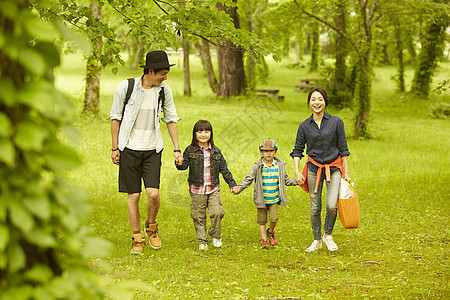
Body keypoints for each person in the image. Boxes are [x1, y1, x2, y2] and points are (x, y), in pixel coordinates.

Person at [108, 50, 183, 254]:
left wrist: (177, 149)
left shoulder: (163, 91)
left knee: (153, 194)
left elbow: (171, 119)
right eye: (163, 73)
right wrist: (115, 148)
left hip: (152, 150)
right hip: (129, 149)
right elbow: (115, 118)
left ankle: (151, 227)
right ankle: (137, 238)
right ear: (151, 71)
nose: (165, 77)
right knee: (134, 196)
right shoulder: (126, 87)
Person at [290, 87, 350, 252]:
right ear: (309, 103)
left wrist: (347, 173)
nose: (317, 102)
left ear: (325, 102)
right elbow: (297, 150)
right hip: (313, 168)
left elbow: (344, 148)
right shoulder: (304, 126)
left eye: (320, 99)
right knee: (315, 207)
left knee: (332, 205)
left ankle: (327, 235)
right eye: (314, 99)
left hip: (334, 168)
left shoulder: (336, 122)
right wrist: (296, 171)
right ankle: (317, 239)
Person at [176, 120, 237, 251]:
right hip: (197, 189)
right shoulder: (190, 150)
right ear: (195, 134)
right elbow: (184, 166)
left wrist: (232, 184)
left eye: (206, 131)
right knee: (198, 215)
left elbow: (224, 169)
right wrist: (179, 163)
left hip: (213, 188)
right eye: (200, 131)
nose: (203, 134)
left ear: (211, 134)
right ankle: (202, 240)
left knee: (217, 212)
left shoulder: (216, 151)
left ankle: (215, 235)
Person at [232, 139, 298, 249]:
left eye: (271, 151)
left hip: (274, 199)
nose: (268, 153)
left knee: (274, 219)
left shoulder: (279, 166)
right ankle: (264, 240)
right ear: (261, 152)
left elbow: (286, 180)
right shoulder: (257, 166)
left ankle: (270, 232)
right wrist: (239, 188)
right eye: (265, 151)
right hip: (261, 199)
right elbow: (248, 179)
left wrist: (297, 181)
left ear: (275, 152)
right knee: (262, 221)